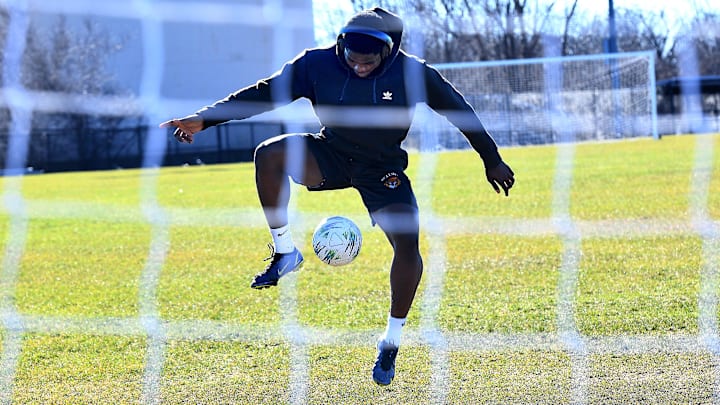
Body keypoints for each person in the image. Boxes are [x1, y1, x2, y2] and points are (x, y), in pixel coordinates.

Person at [160, 7, 515, 386]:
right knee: (269, 153)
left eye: (369, 62)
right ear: (341, 45)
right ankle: (284, 252)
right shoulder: (316, 65)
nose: (359, 67)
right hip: (331, 155)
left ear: (388, 51)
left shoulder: (413, 72)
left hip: (382, 169)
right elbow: (263, 94)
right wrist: (205, 119)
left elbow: (459, 110)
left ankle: (391, 339)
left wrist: (491, 159)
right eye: (352, 59)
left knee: (408, 245)